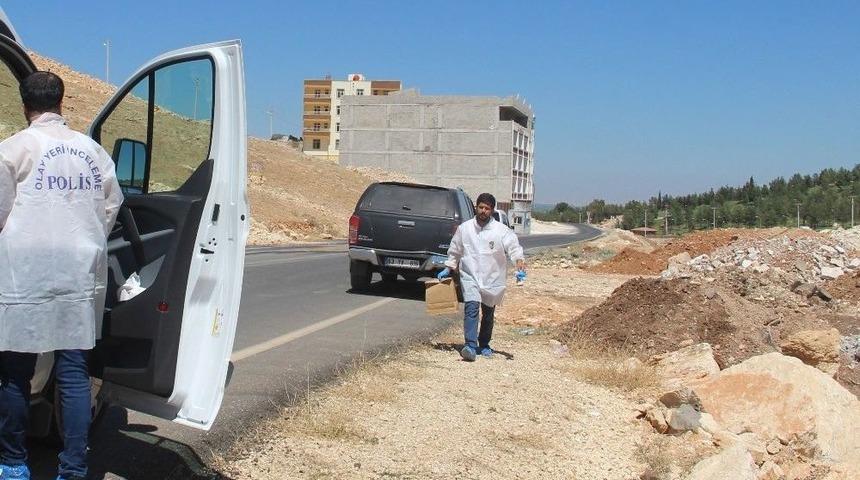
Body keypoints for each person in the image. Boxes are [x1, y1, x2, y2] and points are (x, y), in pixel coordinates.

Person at [0, 71, 123, 480]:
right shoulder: (93, 152)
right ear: (61, 102)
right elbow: (111, 206)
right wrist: (86, 241)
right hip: (77, 274)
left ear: (24, 106)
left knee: (15, 372)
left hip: (25, 276)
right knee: (72, 373)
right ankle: (72, 469)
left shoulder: (12, 150)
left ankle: (14, 464)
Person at [438, 193, 525, 361]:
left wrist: (519, 262)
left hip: (492, 277)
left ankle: (484, 344)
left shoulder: (501, 231)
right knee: (471, 308)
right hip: (469, 275)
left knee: (488, 312)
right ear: (476, 207)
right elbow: (455, 249)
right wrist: (449, 267)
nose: (483, 211)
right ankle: (470, 346)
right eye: (481, 207)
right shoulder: (465, 228)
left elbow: (513, 247)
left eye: (487, 208)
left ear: (492, 210)